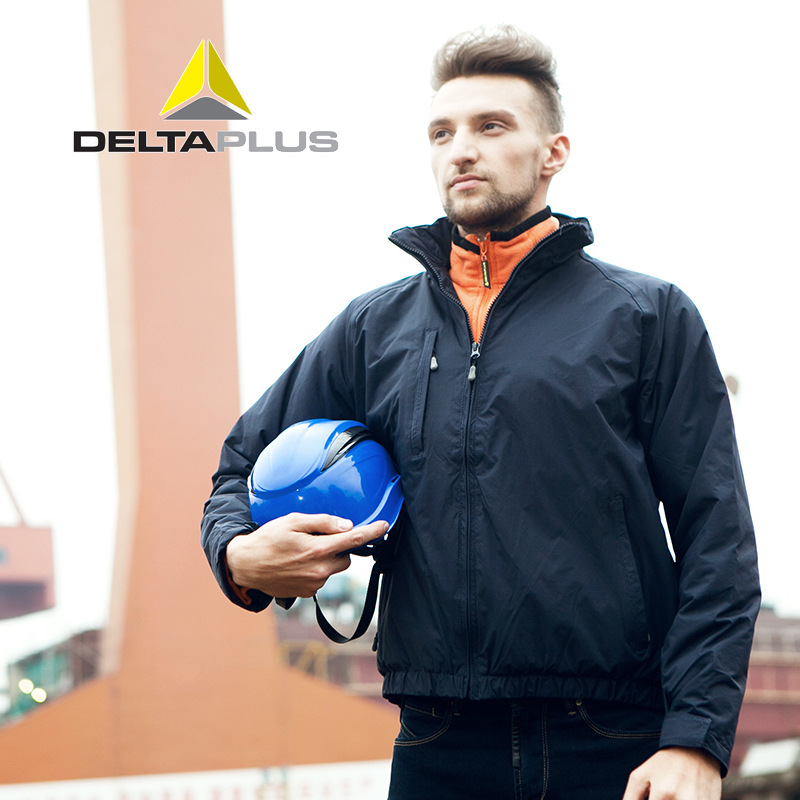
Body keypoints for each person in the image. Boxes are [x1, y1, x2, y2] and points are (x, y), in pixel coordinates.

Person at [202, 26, 760, 800]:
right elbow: (240, 463)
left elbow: (717, 539)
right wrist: (237, 556)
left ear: (554, 153)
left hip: (615, 736)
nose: (461, 149)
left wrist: (695, 740)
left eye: (491, 126)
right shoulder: (372, 328)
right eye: (442, 132)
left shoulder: (647, 317)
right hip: (438, 741)